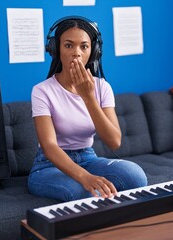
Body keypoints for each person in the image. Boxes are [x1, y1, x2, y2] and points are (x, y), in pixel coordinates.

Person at [28, 16, 147, 202]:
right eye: (68, 45)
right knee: (84, 193)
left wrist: (88, 96)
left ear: (93, 51)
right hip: (48, 165)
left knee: (135, 176)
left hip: (88, 157)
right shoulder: (42, 91)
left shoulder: (102, 88)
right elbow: (49, 146)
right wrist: (85, 177)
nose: (76, 53)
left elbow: (114, 141)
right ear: (56, 49)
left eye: (84, 46)